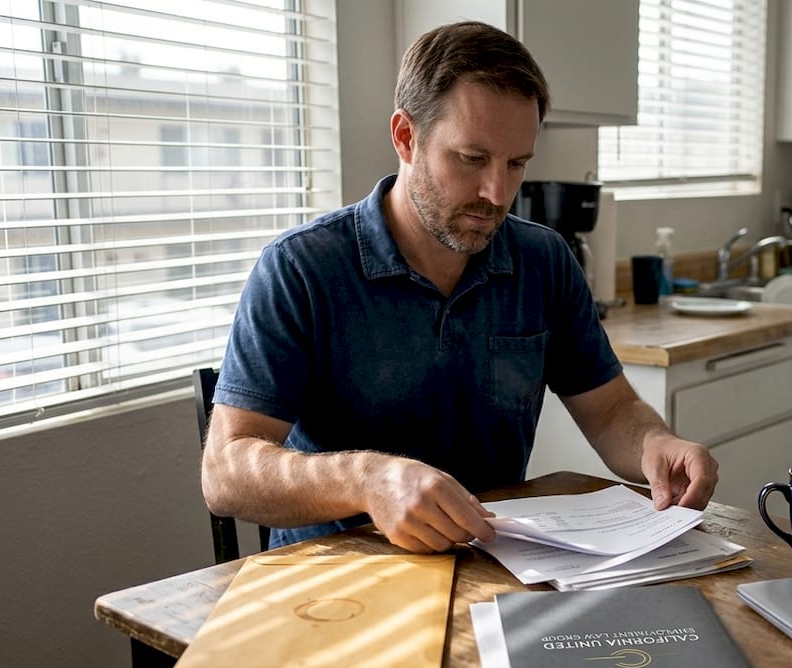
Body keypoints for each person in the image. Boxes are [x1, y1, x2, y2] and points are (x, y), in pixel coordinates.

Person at [201, 21, 718, 553]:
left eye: (516, 164)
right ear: (406, 138)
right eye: (472, 159)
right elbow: (225, 474)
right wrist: (368, 479)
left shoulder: (543, 260)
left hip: (496, 561)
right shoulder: (301, 268)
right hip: (337, 575)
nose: (497, 193)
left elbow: (610, 412)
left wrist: (655, 443)